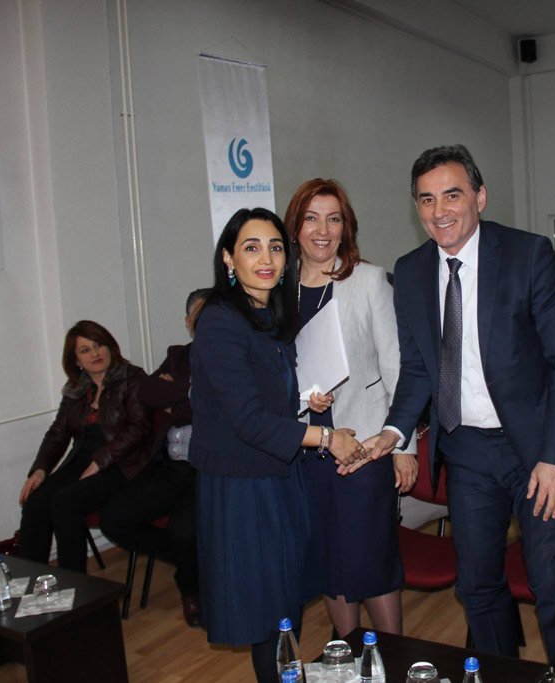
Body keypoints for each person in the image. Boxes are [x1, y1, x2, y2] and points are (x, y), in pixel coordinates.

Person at [362, 144, 555, 663]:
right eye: (426, 199)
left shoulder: (528, 255)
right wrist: (395, 432)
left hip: (536, 449)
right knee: (478, 586)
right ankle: (499, 673)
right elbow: (418, 368)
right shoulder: (411, 271)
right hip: (466, 450)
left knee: (551, 584)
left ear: (480, 197)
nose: (439, 211)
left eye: (452, 195)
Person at [189, 208, 364, 683]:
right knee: (266, 613)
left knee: (286, 603)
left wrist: (307, 398)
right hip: (242, 486)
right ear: (229, 259)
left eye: (275, 247)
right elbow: (247, 419)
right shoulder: (219, 321)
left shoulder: (271, 317)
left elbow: (268, 394)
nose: (266, 258)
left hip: (281, 475)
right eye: (251, 247)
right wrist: (327, 437)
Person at [283, 178, 415, 637]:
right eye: (311, 219)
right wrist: (302, 398)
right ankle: (347, 652)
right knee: (329, 559)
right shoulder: (278, 290)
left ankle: (390, 654)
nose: (323, 231)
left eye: (333, 219)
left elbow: (396, 365)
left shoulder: (369, 280)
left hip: (366, 444)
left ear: (346, 227)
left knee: (371, 557)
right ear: (295, 226)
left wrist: (403, 446)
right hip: (305, 447)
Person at [99, 288, 209, 627]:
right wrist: (190, 393)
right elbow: (148, 392)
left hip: (207, 468)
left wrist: (176, 397)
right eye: (199, 316)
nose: (206, 322)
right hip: (171, 464)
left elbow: (216, 406)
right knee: (114, 518)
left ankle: (191, 589)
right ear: (188, 322)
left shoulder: (229, 356)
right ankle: (194, 563)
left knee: (183, 531)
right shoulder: (178, 355)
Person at [18, 320, 152, 572]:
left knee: (65, 502)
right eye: (85, 350)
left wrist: (99, 462)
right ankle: (29, 581)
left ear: (110, 347)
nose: (95, 353)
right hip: (83, 459)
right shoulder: (76, 389)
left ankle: (73, 585)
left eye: (99, 345)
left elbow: (139, 429)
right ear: (77, 361)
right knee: (36, 500)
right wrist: (40, 468)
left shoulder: (132, 378)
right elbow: (58, 433)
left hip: (123, 463)